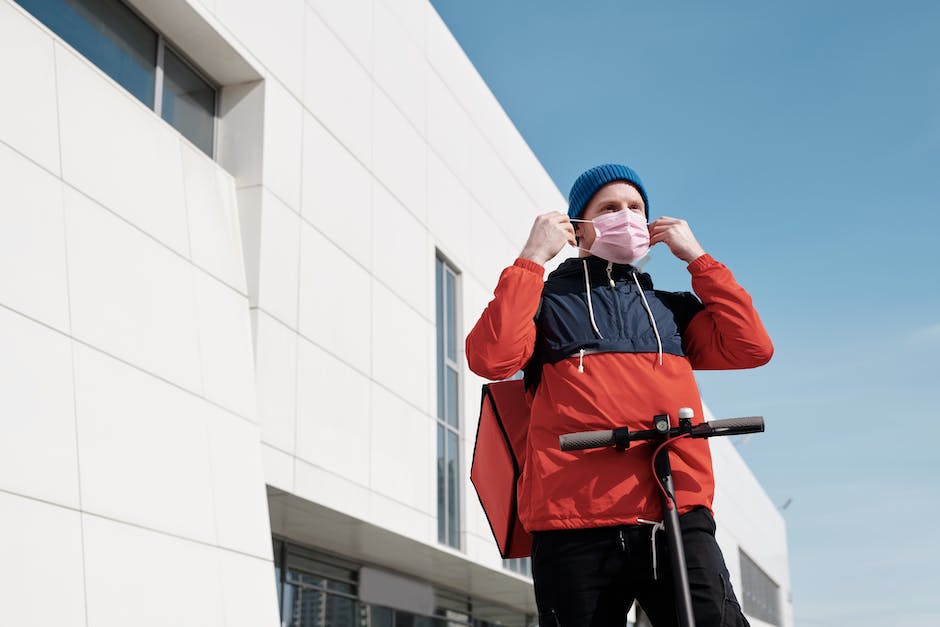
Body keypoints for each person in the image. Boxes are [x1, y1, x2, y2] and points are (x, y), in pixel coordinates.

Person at [465, 164, 773, 627]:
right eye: (609, 208)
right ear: (577, 228)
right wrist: (531, 258)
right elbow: (491, 357)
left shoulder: (672, 309)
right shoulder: (544, 303)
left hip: (675, 510)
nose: (625, 217)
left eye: (635, 208)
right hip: (575, 520)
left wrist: (698, 258)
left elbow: (751, 346)